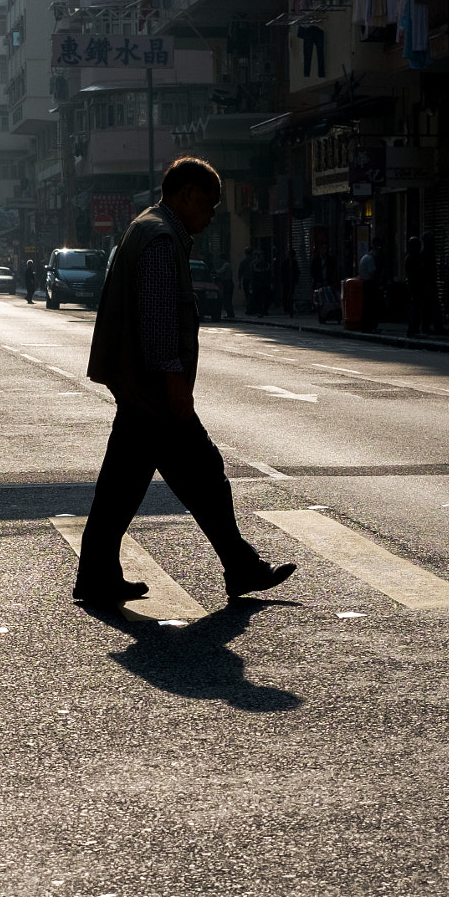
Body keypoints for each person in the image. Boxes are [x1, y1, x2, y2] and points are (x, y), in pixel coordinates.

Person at [78, 156, 296, 606]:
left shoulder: (151, 229)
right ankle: (240, 566)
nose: (213, 214)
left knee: (125, 487)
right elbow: (158, 323)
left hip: (142, 390)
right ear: (186, 194)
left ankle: (98, 574)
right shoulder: (159, 238)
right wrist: (176, 387)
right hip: (155, 393)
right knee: (205, 476)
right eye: (209, 204)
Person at [279, 249, 299, 317]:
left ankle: (288, 308)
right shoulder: (287, 262)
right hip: (287, 281)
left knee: (288, 295)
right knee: (287, 295)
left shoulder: (292, 262)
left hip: (289, 281)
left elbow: (297, 271)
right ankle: (287, 308)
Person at [214, 254, 234, 320]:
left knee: (227, 299)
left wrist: (215, 270)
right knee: (228, 299)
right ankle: (230, 313)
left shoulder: (226, 265)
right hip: (228, 283)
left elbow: (220, 271)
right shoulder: (228, 264)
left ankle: (230, 314)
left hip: (227, 283)